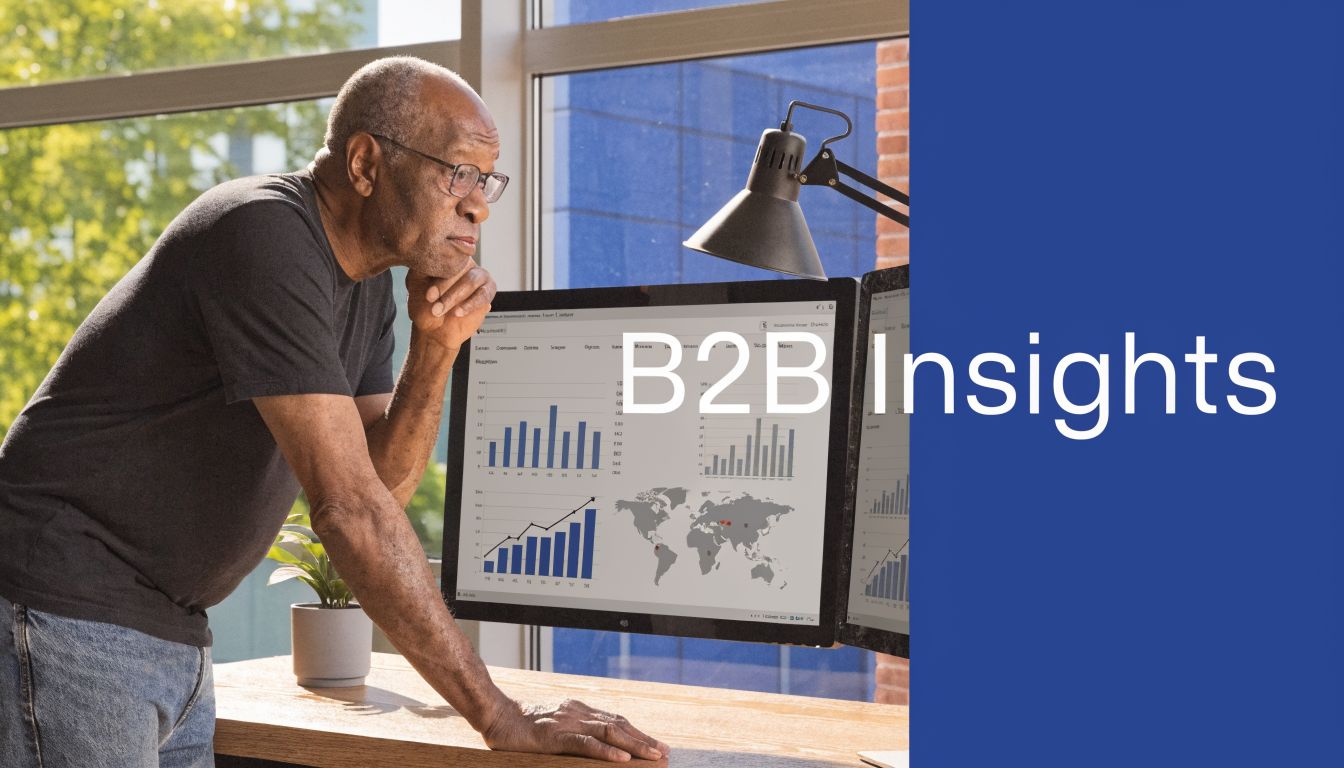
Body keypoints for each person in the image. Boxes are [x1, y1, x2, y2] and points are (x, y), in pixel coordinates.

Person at [0, 56, 668, 767]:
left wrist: (435, 350)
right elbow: (349, 514)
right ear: (364, 163)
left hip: (167, 627)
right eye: (458, 173)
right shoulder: (262, 233)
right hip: (63, 607)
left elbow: (381, 487)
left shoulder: (365, 287)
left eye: (487, 180)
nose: (479, 204)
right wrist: (499, 715)